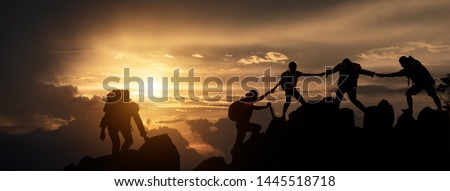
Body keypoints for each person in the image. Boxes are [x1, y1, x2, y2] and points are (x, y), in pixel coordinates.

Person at [375, 56, 442, 113]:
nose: (401, 65)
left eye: (402, 63)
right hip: (420, 84)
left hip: (426, 82)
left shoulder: (415, 64)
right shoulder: (406, 70)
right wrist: (383, 75)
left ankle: (439, 108)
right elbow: (394, 74)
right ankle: (410, 109)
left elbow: (424, 70)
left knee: (433, 95)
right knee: (408, 93)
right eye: (401, 64)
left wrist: (430, 79)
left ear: (406, 62)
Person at [100, 90, 149, 155]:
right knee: (122, 142)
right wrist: (144, 135)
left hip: (115, 125)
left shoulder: (129, 107)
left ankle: (119, 156)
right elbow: (138, 121)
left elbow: (106, 117)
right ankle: (119, 157)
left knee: (118, 143)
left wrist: (102, 131)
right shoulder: (131, 107)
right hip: (118, 125)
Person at [231, 90, 271, 155]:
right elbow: (256, 108)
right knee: (239, 141)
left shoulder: (247, 100)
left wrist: (268, 92)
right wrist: (266, 106)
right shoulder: (246, 102)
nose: (255, 98)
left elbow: (260, 98)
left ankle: (236, 151)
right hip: (242, 125)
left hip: (242, 124)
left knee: (239, 141)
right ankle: (236, 152)